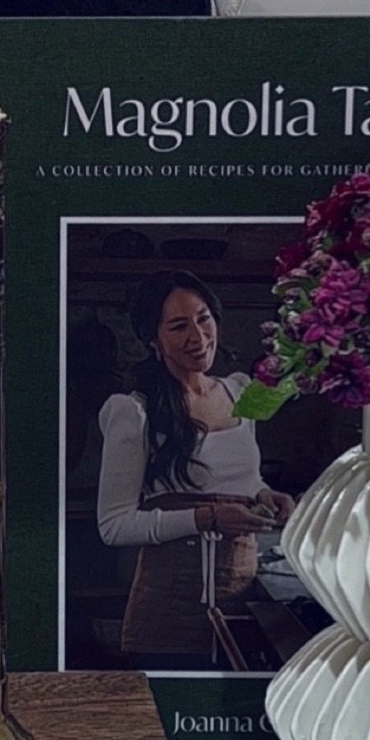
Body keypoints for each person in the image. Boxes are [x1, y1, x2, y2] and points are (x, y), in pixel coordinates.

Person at [96, 270, 294, 663]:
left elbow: (241, 477)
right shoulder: (134, 411)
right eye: (178, 326)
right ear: (153, 339)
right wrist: (209, 518)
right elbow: (113, 525)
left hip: (242, 601)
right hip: (168, 610)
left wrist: (264, 494)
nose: (198, 337)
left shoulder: (239, 391)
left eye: (204, 319)